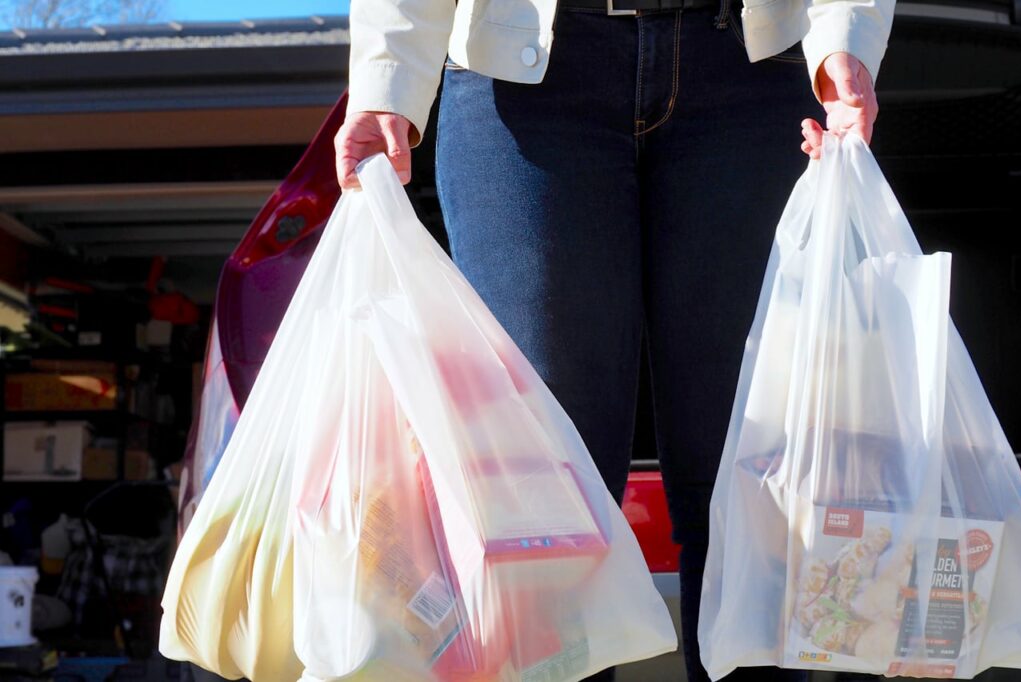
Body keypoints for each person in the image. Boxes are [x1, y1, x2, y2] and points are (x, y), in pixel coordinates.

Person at [336, 0, 894, 679]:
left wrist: (846, 37)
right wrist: (386, 79)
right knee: (538, 500)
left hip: (745, 65)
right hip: (522, 77)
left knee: (748, 484)